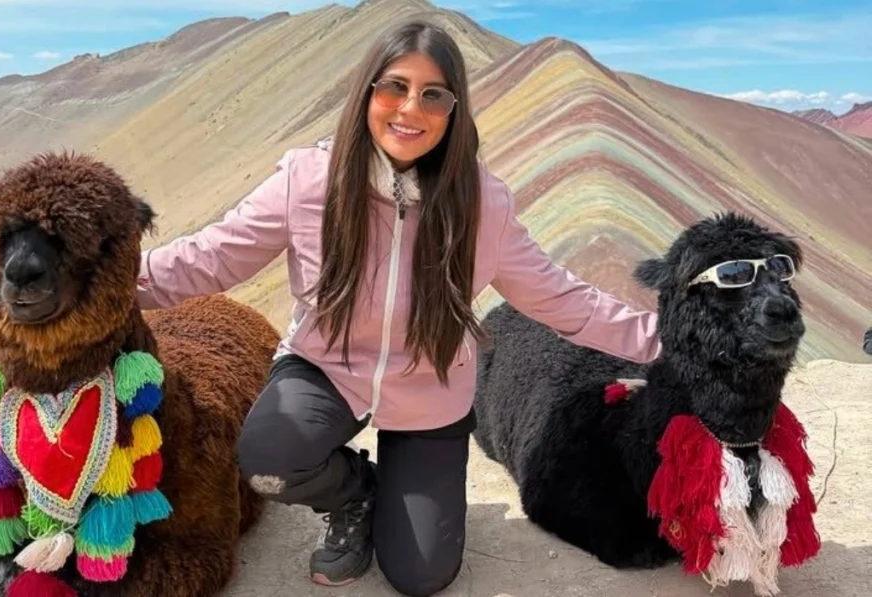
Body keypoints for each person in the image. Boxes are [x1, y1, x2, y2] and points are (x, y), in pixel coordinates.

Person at [136, 19, 661, 597]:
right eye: (395, 87)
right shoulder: (307, 180)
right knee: (268, 460)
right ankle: (355, 493)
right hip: (325, 370)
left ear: (454, 111)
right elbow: (209, 258)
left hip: (429, 393)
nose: (411, 108)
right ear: (367, 93)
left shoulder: (483, 204)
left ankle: (407, 489)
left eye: (433, 95)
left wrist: (668, 341)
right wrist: (105, 281)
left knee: (421, 574)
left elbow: (562, 299)